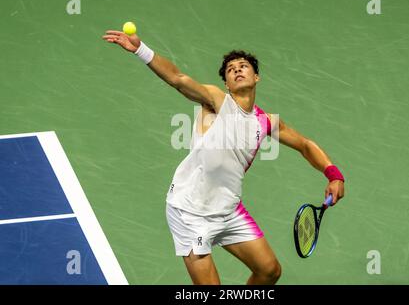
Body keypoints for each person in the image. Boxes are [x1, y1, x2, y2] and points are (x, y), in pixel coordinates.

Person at [102, 30, 345, 285]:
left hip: (228, 210)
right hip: (190, 211)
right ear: (227, 84)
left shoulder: (265, 122)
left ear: (257, 77)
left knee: (269, 271)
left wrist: (333, 174)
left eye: (244, 66)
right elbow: (178, 79)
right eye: (231, 69)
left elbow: (305, 145)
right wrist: (142, 50)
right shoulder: (216, 102)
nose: (238, 70)